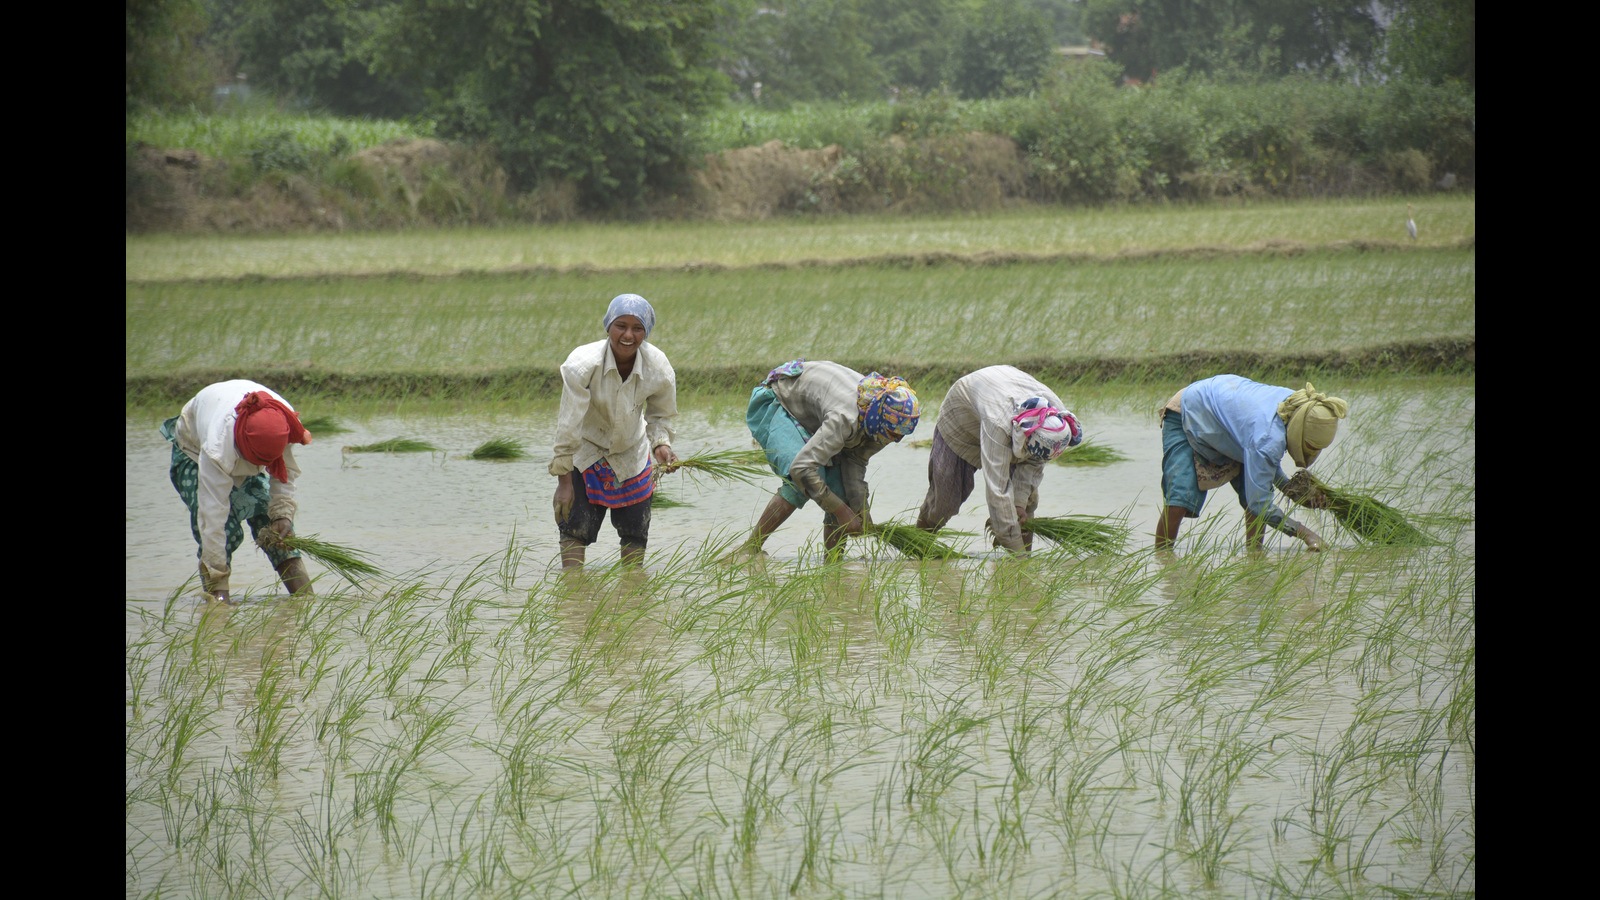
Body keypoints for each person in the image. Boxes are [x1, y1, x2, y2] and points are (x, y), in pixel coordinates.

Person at [550, 293, 679, 569]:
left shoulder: (658, 367)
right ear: (608, 325)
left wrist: (661, 445)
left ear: (647, 332)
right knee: (574, 528)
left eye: (638, 328)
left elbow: (660, 414)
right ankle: (573, 594)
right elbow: (569, 423)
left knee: (636, 533)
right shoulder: (583, 365)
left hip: (632, 453)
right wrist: (563, 483)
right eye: (621, 325)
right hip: (586, 453)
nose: (628, 335)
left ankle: (631, 594)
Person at [742, 359, 920, 555]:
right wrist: (842, 512)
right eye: (893, 433)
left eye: (901, 436)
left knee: (840, 493)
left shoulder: (878, 424)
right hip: (778, 400)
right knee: (799, 483)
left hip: (814, 415)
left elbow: (855, 461)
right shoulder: (846, 417)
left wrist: (861, 512)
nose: (896, 439)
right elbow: (801, 469)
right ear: (879, 418)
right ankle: (750, 549)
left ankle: (833, 569)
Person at [161, 380, 315, 603]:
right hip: (194, 452)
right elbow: (212, 515)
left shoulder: (285, 422)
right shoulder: (217, 446)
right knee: (227, 531)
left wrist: (283, 514)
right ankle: (217, 601)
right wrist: (217, 575)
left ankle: (305, 599)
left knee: (275, 529)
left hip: (247, 448)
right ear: (245, 448)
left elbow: (285, 472)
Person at [1155, 374, 1348, 552]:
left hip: (1231, 427)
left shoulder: (1299, 405)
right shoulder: (1269, 435)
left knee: (1253, 493)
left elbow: (1263, 467)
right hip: (1188, 413)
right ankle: (1162, 558)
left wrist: (1292, 490)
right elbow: (1260, 503)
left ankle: (1254, 555)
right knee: (1179, 499)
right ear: (1299, 431)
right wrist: (1306, 534)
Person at [914, 365, 1083, 555]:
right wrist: (1017, 555)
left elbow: (1035, 463)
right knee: (944, 503)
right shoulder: (998, 425)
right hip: (962, 417)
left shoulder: (1055, 420)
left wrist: (1018, 504)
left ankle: (1017, 563)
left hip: (1003, 399)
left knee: (1026, 506)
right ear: (1026, 438)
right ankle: (918, 549)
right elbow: (997, 490)